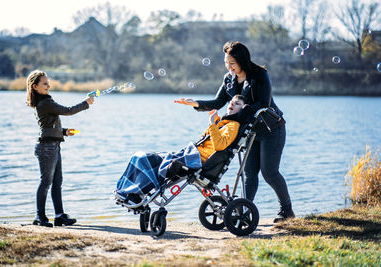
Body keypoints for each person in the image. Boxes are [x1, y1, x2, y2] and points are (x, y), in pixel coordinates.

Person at [174, 41, 294, 222]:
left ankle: (287, 211)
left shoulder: (259, 76)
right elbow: (218, 102)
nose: (228, 67)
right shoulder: (229, 79)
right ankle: (245, 211)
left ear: (242, 61)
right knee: (249, 173)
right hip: (249, 132)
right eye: (226, 63)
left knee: (269, 172)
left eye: (232, 63)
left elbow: (263, 103)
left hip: (271, 129)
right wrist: (196, 103)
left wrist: (235, 118)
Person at [115, 95, 246, 201]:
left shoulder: (233, 126)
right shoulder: (222, 123)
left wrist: (212, 124)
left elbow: (219, 146)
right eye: (233, 101)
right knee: (142, 157)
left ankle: (136, 194)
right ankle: (125, 191)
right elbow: (205, 140)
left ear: (241, 111)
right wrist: (214, 122)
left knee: (154, 161)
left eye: (237, 103)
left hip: (196, 159)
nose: (233, 103)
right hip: (190, 153)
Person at [26, 70, 94, 227]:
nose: (48, 85)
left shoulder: (45, 102)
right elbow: (68, 111)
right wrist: (85, 104)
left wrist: (64, 132)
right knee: (46, 182)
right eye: (44, 83)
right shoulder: (45, 103)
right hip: (46, 148)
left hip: (53, 146)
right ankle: (40, 218)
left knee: (57, 182)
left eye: (48, 82)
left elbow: (48, 126)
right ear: (35, 86)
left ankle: (59, 216)